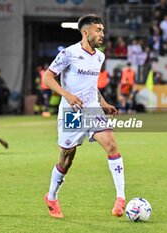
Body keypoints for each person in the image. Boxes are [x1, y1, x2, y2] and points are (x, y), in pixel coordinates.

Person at [42, 14, 125, 218]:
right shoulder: (68, 54)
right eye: (98, 30)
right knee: (66, 158)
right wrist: (68, 95)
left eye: (103, 30)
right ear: (85, 32)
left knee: (111, 144)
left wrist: (103, 103)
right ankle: (51, 196)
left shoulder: (99, 56)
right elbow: (47, 77)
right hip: (71, 113)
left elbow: (92, 85)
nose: (102, 34)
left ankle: (120, 198)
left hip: (92, 110)